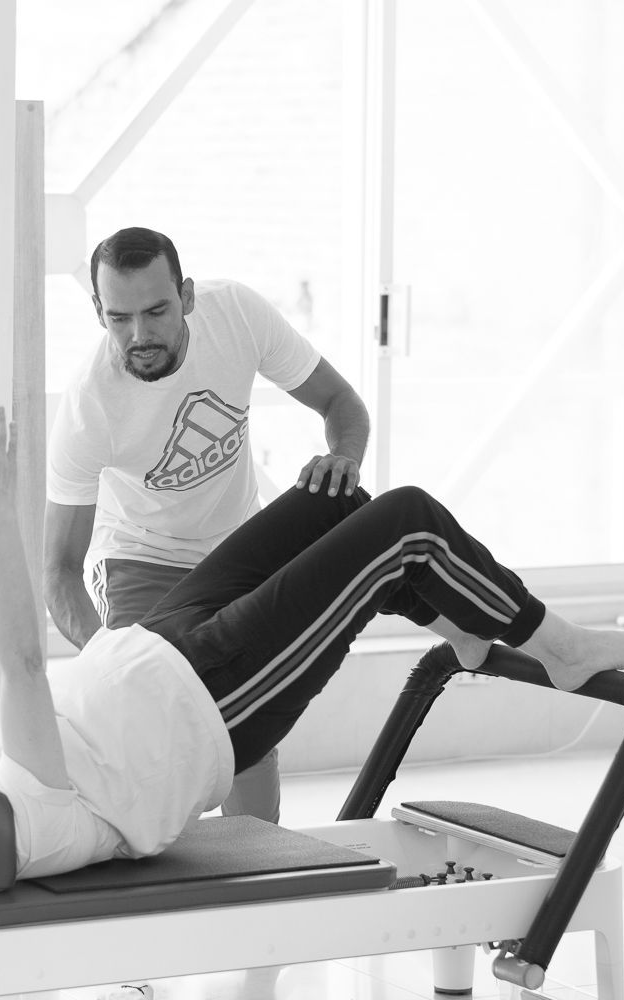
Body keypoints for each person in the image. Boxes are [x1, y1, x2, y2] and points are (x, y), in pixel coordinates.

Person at [0, 379, 624, 887]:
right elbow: (24, 664)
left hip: (162, 640)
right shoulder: (11, 825)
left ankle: (467, 628)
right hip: (219, 701)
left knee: (335, 500)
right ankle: (559, 648)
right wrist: (0, 519)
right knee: (407, 522)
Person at [45, 227, 371, 823]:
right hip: (139, 555)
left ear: (188, 296)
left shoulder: (237, 316)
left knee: (244, 729)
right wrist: (113, 664)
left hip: (233, 547)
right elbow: (59, 572)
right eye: (118, 318)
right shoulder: (89, 407)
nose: (139, 336)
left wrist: (343, 457)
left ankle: (256, 877)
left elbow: (343, 406)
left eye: (156, 311)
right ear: (98, 312)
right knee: (162, 730)